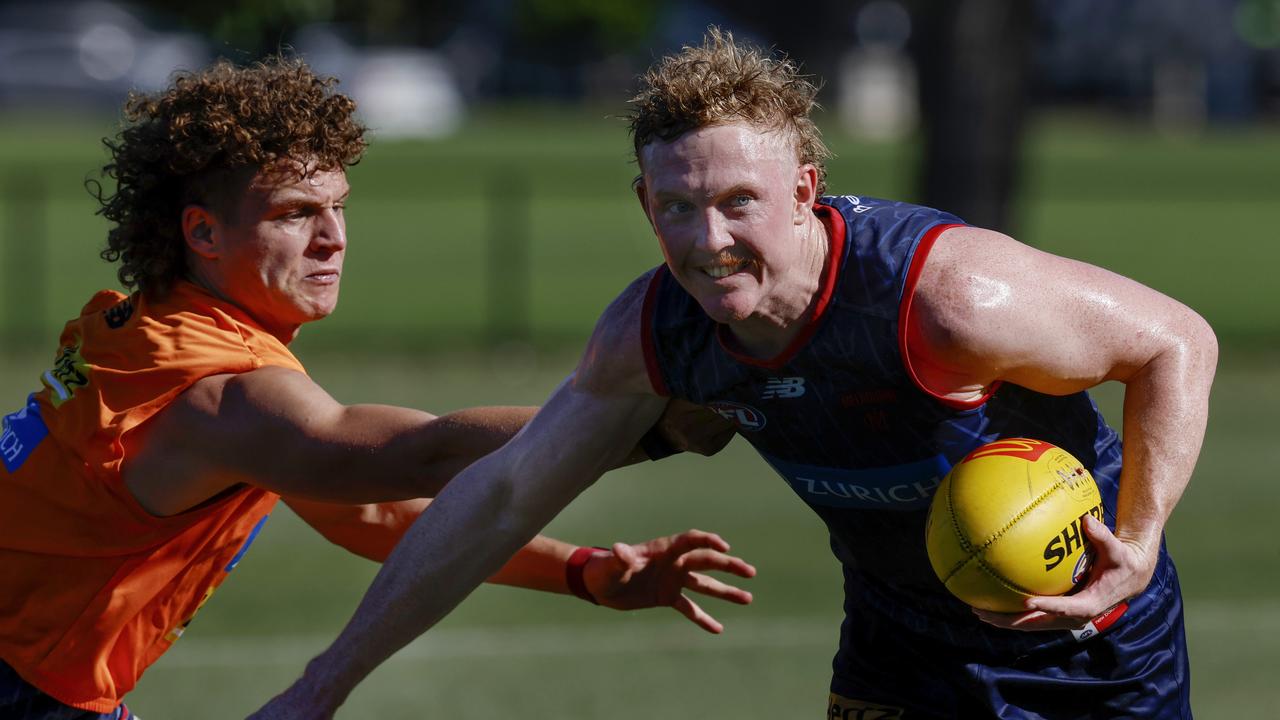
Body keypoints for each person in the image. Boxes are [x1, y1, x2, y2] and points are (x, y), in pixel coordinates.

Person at [253, 28, 1218, 719]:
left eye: (738, 202)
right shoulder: (656, 335)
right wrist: (318, 690)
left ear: (804, 189)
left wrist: (1137, 537)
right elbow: (503, 496)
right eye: (677, 207)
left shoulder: (946, 298)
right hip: (900, 647)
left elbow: (1176, 341)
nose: (708, 242)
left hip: (1090, 651)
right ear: (644, 203)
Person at [0, 56, 758, 720]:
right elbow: (417, 458)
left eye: (338, 208)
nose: (333, 239)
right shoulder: (221, 395)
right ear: (202, 233)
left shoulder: (150, 329)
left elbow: (367, 509)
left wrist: (581, 571)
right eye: (296, 214)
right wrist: (653, 416)